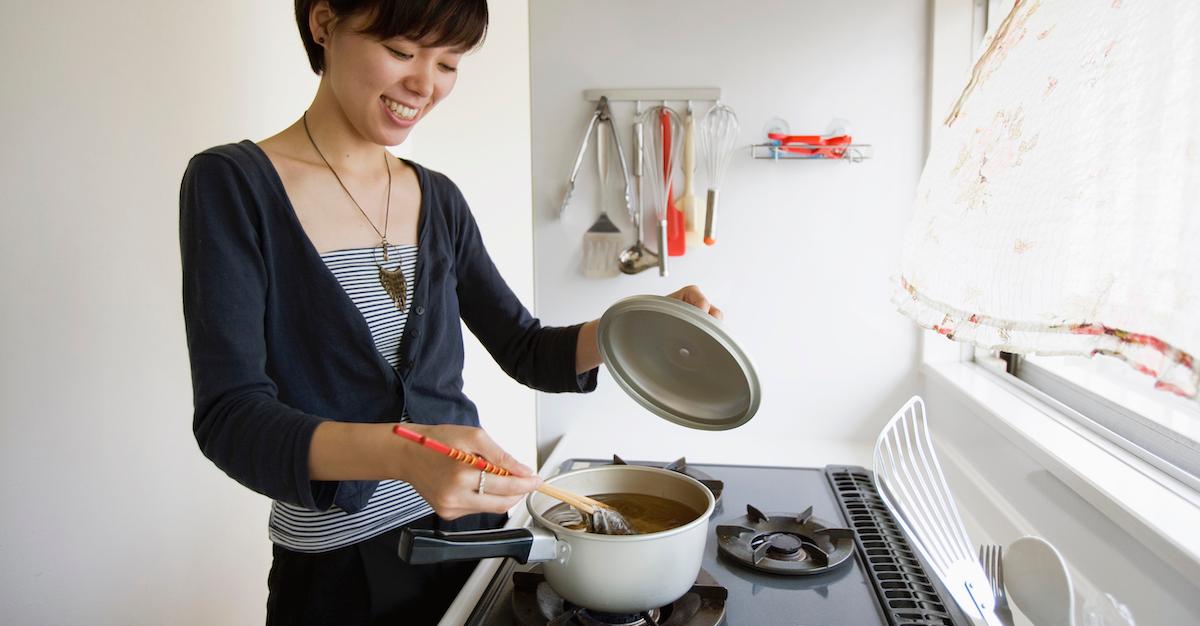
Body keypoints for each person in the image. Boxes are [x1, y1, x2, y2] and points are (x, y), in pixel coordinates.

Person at [178, 0, 722, 624]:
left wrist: (634, 325)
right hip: (338, 572)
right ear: (323, 23)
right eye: (403, 52)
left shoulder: (439, 199)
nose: (424, 85)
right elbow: (230, 418)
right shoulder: (232, 184)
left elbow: (525, 347)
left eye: (449, 63)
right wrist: (404, 453)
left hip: (476, 543)